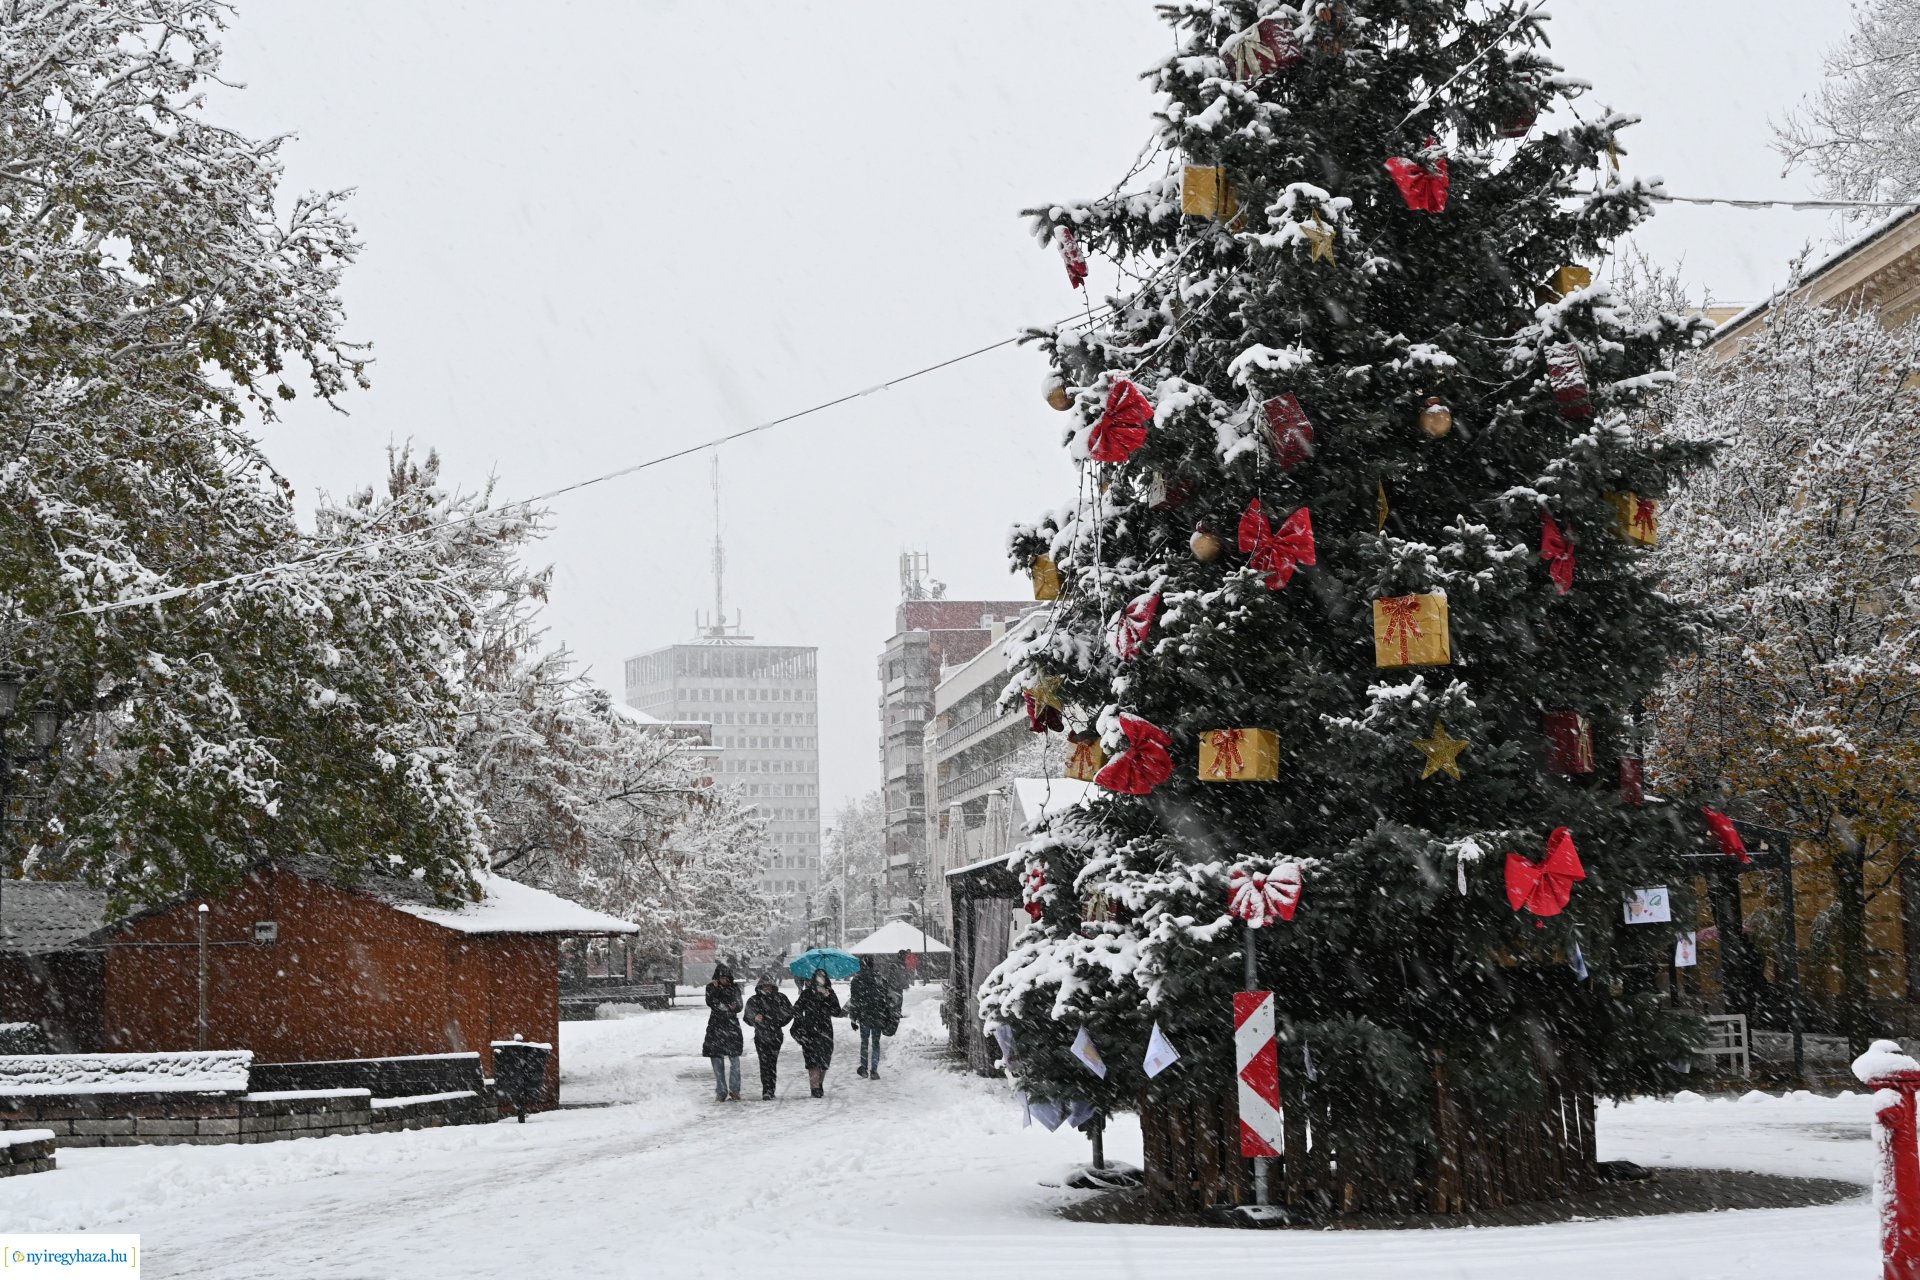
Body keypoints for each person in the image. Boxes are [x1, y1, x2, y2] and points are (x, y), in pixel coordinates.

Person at [790, 967, 843, 1098]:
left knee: (824, 1061)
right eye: (818, 977)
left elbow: (837, 1011)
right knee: (812, 1060)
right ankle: (814, 1087)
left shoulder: (830, 993)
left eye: (823, 977)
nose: (820, 979)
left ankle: (819, 1084)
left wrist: (828, 999)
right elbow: (796, 1009)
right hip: (810, 1031)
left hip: (825, 1030)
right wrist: (802, 1019)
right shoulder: (807, 993)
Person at [742, 974, 794, 1101]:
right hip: (761, 1036)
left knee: (772, 1062)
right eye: (764, 986)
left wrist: (778, 1021)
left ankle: (771, 1088)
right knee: (764, 1063)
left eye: (768, 986)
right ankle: (767, 1089)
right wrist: (754, 1018)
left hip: (776, 1035)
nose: (766, 988)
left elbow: (789, 1013)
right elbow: (747, 1016)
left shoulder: (780, 998)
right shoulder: (754, 1000)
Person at [849, 956, 899, 1080]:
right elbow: (888, 998)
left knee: (864, 1042)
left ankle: (864, 1068)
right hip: (878, 1015)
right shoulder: (880, 979)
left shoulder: (856, 980)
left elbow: (854, 1000)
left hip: (864, 1015)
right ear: (872, 965)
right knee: (876, 1043)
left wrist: (853, 1018)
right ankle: (874, 1070)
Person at [702, 963, 744, 1101]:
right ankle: (721, 1091)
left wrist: (733, 1006)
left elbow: (739, 1005)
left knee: (735, 1061)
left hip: (732, 1029)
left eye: (727, 977)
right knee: (717, 1061)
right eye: (722, 977)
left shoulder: (734, 988)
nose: (725, 980)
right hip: (716, 1028)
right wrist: (717, 991)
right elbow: (711, 1002)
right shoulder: (710, 988)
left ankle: (735, 1090)